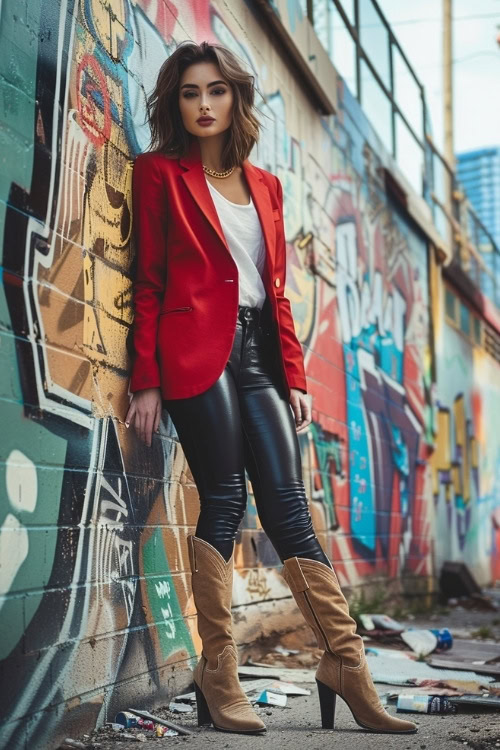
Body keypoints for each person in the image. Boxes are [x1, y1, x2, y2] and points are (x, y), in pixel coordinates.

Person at [124, 40, 417, 738]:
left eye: (216, 91)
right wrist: (146, 379)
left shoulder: (267, 188)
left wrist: (295, 376)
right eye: (190, 93)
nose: (203, 105)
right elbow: (151, 279)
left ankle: (346, 666)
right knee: (224, 498)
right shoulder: (159, 174)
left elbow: (277, 291)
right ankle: (218, 678)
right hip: (194, 353)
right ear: (176, 102)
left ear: (235, 99)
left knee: (289, 506)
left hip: (258, 353)